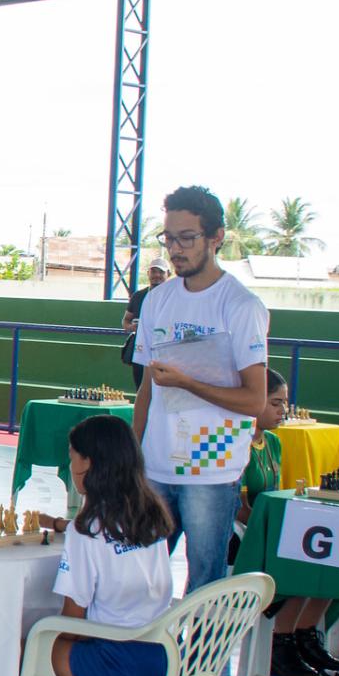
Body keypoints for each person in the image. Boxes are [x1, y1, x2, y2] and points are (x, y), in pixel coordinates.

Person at [19, 415, 175, 676]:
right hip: (162, 658)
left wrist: (38, 629)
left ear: (89, 465)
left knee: (15, 653)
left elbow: (73, 618)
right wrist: (59, 526)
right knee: (76, 645)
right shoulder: (152, 515)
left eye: (72, 459)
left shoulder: (86, 532)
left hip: (120, 664)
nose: (71, 468)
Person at [131, 186, 271, 594]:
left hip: (211, 471)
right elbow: (146, 391)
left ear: (216, 238)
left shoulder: (241, 306)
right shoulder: (157, 301)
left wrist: (188, 382)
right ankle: (147, 658)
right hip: (155, 467)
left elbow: (254, 400)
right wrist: (135, 456)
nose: (175, 249)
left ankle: (203, 661)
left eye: (187, 238)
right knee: (139, 583)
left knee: (204, 586)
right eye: (168, 238)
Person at [233, 370, 339, 676]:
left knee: (330, 552)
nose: (283, 411)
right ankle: (280, 643)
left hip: (269, 529)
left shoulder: (275, 444)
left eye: (285, 404)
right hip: (245, 535)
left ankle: (303, 635)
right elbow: (240, 508)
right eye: (276, 403)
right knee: (299, 554)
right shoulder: (236, 444)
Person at [119, 261, 168, 388]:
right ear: (148, 273)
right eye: (153, 271)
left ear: (168, 274)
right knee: (141, 387)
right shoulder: (138, 296)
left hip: (165, 351)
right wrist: (132, 327)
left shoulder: (174, 297)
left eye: (161, 272)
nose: (156, 275)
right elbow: (125, 320)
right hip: (141, 351)